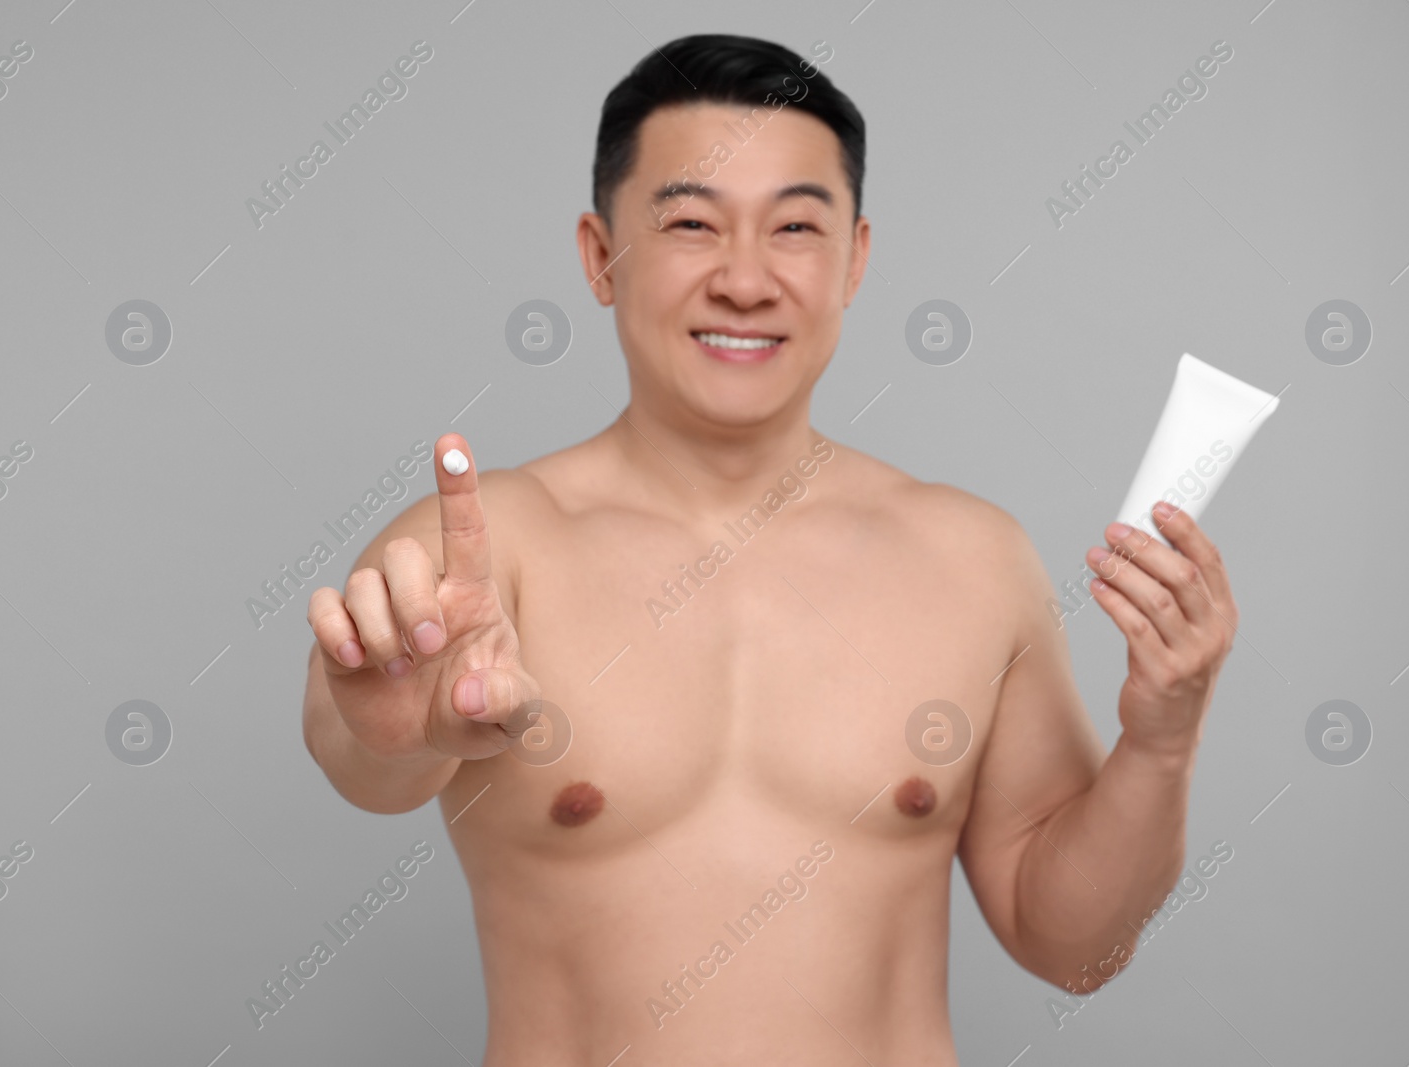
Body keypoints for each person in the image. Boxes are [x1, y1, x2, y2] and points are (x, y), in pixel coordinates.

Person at [301, 32, 1239, 1066]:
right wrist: (396, 733)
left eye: (795, 226)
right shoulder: (481, 554)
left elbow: (1073, 949)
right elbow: (368, 757)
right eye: (692, 224)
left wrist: (1160, 739)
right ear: (598, 255)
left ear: (854, 261)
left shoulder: (970, 558)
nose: (745, 279)